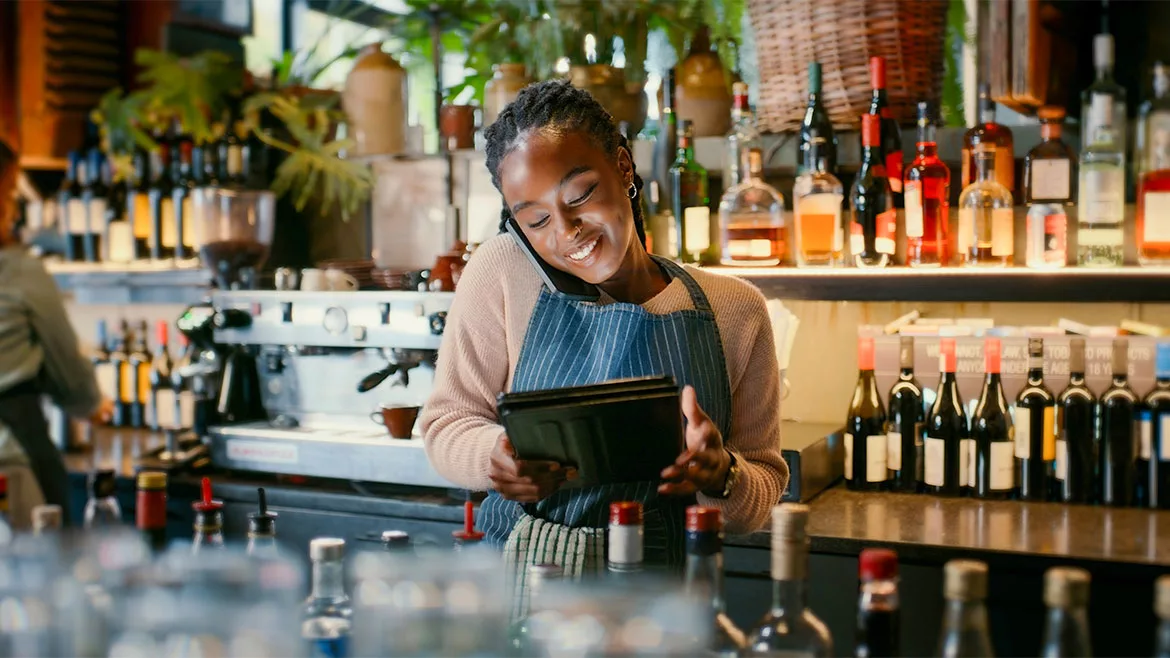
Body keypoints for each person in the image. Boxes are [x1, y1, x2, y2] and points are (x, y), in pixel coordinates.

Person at [421, 80, 788, 576]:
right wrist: (494, 457)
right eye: (535, 220)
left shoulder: (735, 309)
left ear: (622, 165)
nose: (566, 230)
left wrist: (722, 475)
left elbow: (761, 487)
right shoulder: (504, 271)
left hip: (664, 600)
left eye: (581, 195)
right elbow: (447, 424)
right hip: (521, 588)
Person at [0, 139, 105, 525]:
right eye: (10, 192)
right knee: (34, 576)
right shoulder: (19, 271)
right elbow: (67, 370)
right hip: (11, 454)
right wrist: (91, 404)